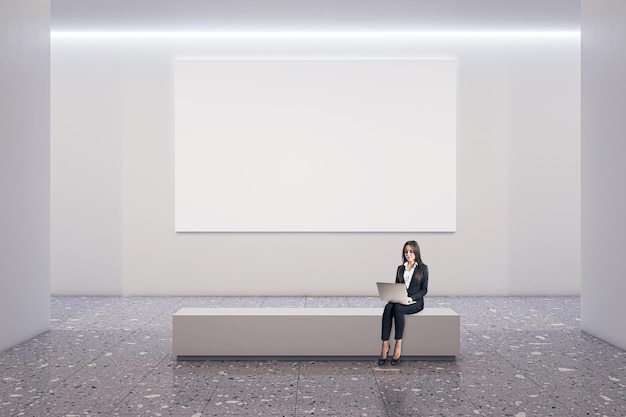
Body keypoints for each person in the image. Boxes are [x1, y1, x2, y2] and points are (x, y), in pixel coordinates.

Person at [379, 240, 429, 366]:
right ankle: (385, 343)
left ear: (416, 252)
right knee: (388, 307)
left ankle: (398, 343)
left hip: (415, 302)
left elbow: (424, 290)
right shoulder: (400, 268)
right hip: (401, 299)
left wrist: (411, 298)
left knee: (397, 309)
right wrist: (394, 295)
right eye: (406, 252)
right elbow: (397, 286)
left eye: (411, 251)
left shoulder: (423, 268)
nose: (408, 254)